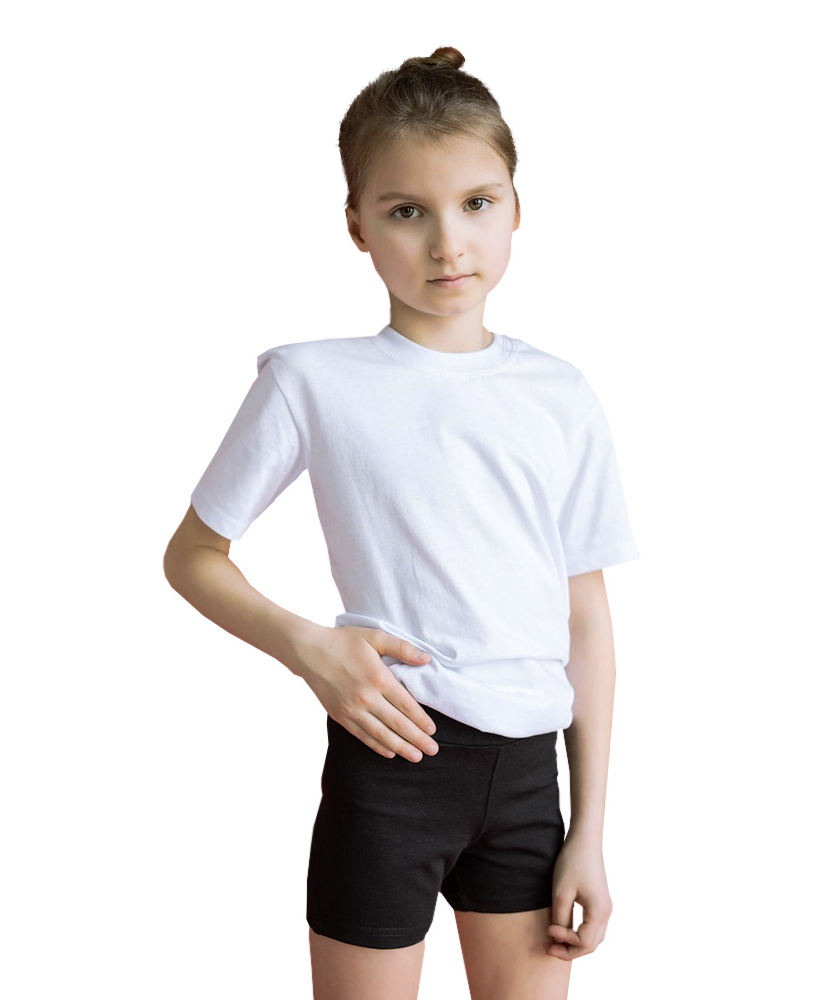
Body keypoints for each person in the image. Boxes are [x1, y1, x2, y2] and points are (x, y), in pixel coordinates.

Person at [164, 45, 639, 1000]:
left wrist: (588, 830)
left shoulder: (561, 395)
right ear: (357, 224)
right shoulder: (312, 382)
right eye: (406, 211)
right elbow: (193, 556)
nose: (448, 244)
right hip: (391, 760)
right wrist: (309, 647)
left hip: (528, 781)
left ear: (516, 207)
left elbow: (585, 622)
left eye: (477, 203)